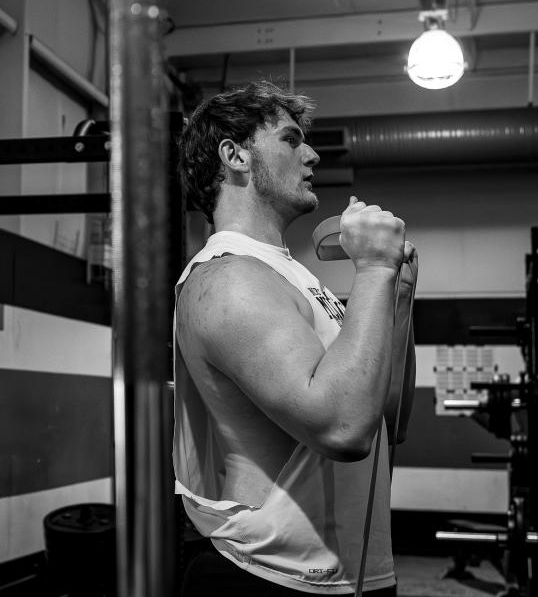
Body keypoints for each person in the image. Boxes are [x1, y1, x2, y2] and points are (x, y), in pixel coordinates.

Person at [173, 80, 418, 597]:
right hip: (269, 575)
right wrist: (373, 267)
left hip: (350, 571)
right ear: (234, 155)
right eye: (290, 139)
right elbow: (343, 429)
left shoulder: (294, 278)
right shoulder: (227, 278)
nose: (311, 153)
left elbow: (386, 417)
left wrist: (396, 294)